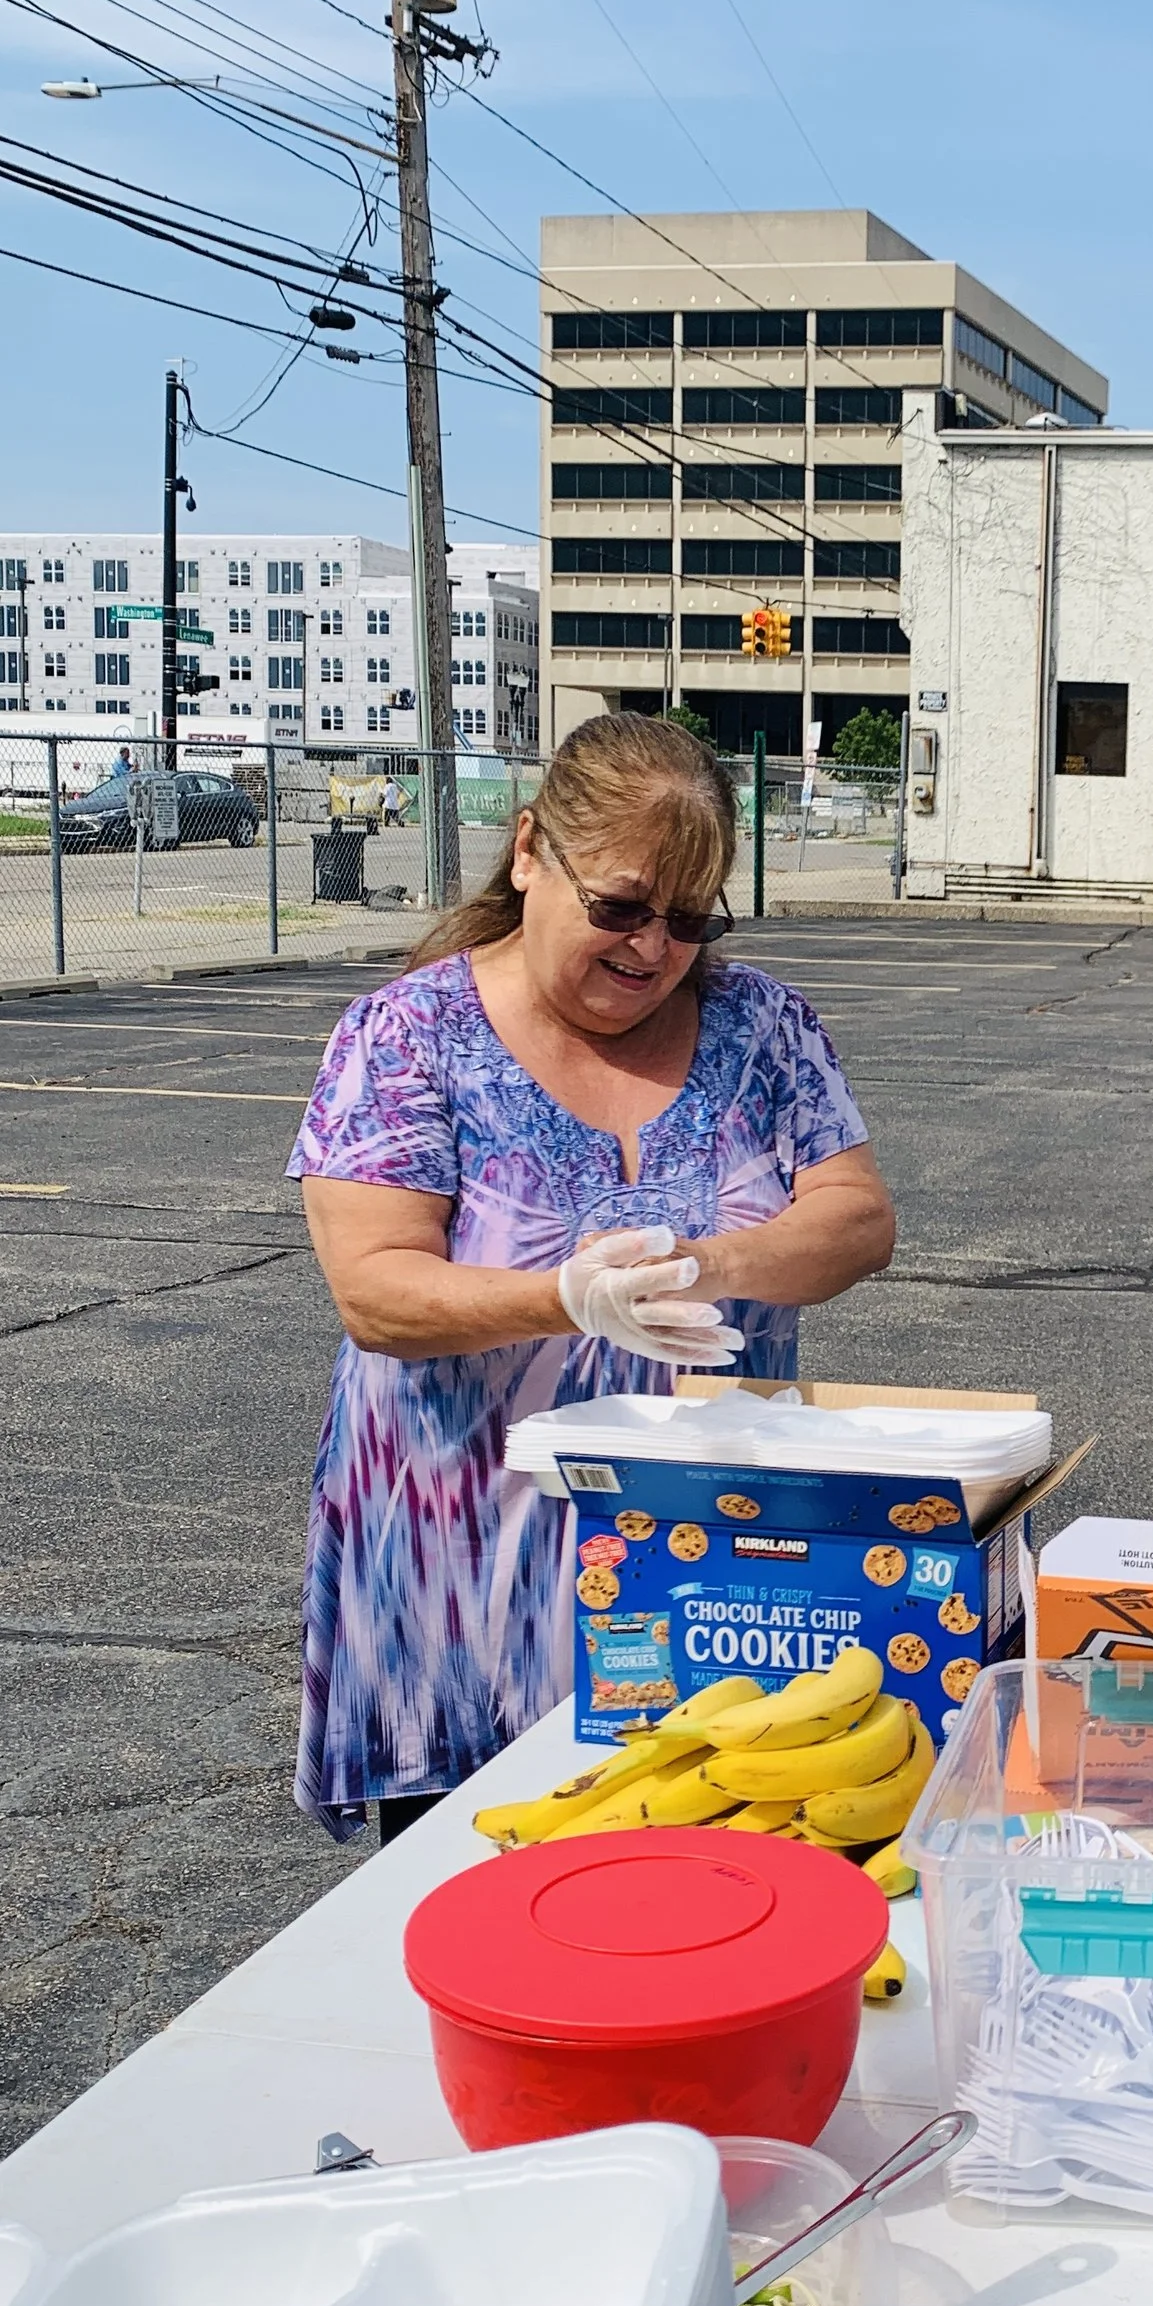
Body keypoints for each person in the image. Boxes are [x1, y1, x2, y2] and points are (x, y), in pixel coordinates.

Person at [287, 713, 894, 1844]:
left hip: (708, 1573)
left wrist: (706, 1261)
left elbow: (856, 1222)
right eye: (619, 907)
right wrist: (565, 1298)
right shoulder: (409, 1036)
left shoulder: (760, 1026)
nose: (651, 949)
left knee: (720, 1898)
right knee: (493, 1910)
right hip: (460, 1577)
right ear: (528, 854)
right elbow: (375, 1291)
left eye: (686, 921)